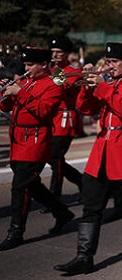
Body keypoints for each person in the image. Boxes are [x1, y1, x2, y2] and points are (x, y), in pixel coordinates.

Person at [54, 43, 122, 275]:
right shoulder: (108, 84)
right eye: (107, 62)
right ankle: (84, 256)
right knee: (91, 206)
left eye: (113, 62)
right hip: (102, 150)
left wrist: (103, 87)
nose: (109, 67)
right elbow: (86, 109)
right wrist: (87, 88)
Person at [0, 48, 75, 251]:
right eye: (25, 65)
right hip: (17, 140)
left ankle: (16, 231)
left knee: (20, 187)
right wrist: (6, 92)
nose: (27, 69)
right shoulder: (27, 82)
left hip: (35, 141)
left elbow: (43, 111)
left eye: (31, 65)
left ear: (43, 65)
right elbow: (6, 108)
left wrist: (20, 92)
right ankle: (62, 212)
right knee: (31, 184)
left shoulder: (53, 84)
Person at [47, 37, 84, 200]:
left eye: (59, 52)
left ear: (67, 54)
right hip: (49, 118)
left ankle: (54, 194)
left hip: (64, 119)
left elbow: (62, 86)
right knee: (52, 157)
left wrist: (51, 69)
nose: (54, 55)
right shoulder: (47, 70)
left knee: (55, 156)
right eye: (52, 52)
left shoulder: (73, 71)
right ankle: (81, 181)